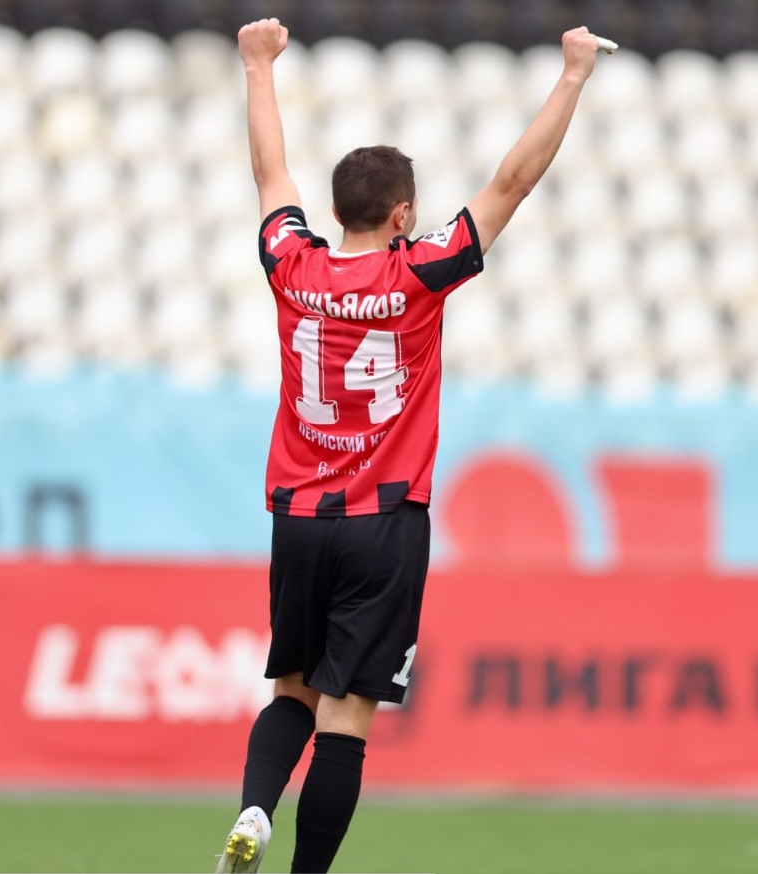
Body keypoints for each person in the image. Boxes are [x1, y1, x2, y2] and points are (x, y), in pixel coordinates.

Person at [215, 18, 600, 874]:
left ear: (333, 211)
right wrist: (572, 75)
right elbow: (511, 182)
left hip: (299, 517)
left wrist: (257, 66)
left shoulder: (292, 265)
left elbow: (269, 173)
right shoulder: (418, 272)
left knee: (290, 691)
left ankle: (253, 808)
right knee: (346, 719)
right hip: (384, 522)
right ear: (402, 214)